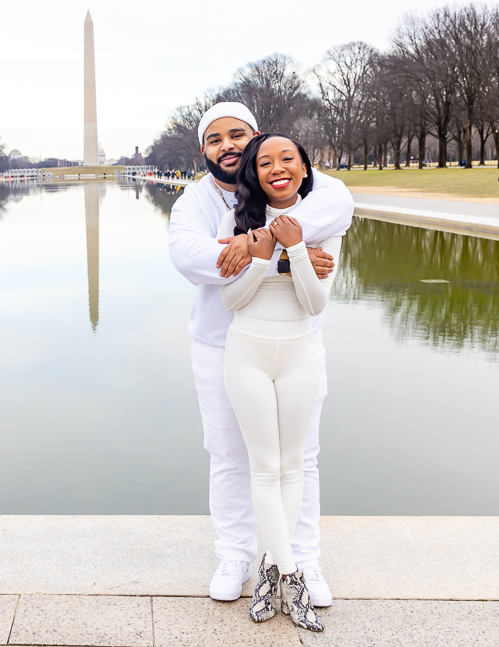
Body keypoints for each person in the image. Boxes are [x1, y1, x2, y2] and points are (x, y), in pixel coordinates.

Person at [168, 102, 352, 607]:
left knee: (301, 457)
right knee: (229, 455)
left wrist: (256, 242)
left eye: (237, 135)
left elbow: (337, 210)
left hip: (294, 341)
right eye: (214, 139)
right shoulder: (195, 201)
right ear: (202, 150)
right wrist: (285, 252)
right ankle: (236, 553)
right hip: (219, 344)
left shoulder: (315, 186)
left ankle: (300, 558)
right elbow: (192, 258)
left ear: (256, 139)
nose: (226, 145)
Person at [218, 132, 345, 631]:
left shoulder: (325, 221)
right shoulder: (240, 222)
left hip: (298, 351)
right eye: (265, 162)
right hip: (246, 351)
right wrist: (269, 254)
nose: (277, 169)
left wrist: (289, 249)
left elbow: (315, 303)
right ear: (254, 172)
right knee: (264, 466)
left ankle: (273, 570)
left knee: (293, 466)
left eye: (287, 159)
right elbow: (231, 301)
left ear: (303, 167)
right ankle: (290, 575)